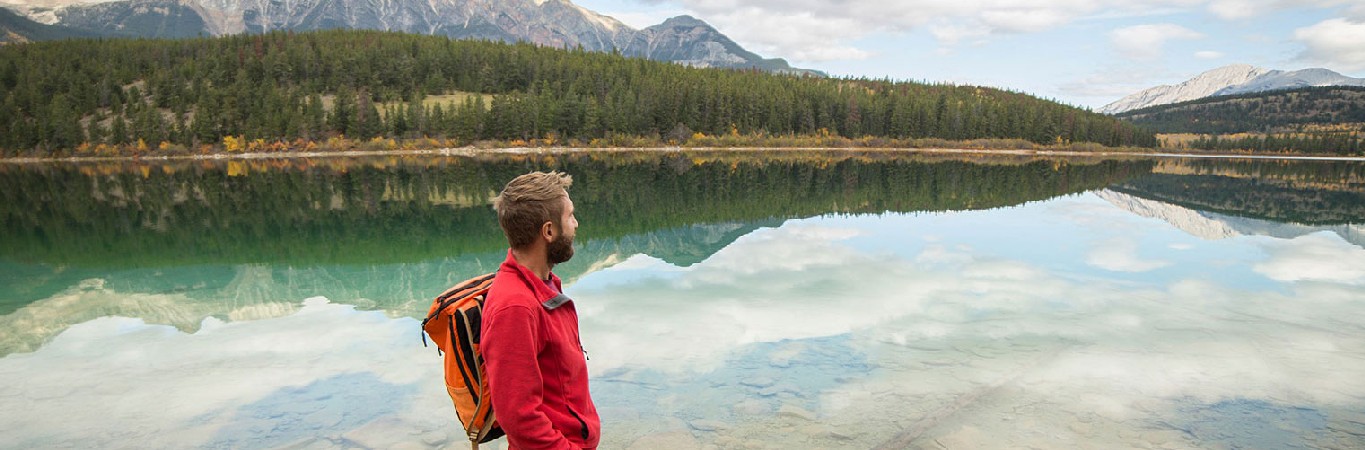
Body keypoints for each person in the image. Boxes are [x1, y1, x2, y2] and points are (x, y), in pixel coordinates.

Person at [482, 171, 600, 450]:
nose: (576, 224)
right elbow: (520, 419)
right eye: (570, 216)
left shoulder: (542, 286)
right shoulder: (515, 308)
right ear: (548, 231)